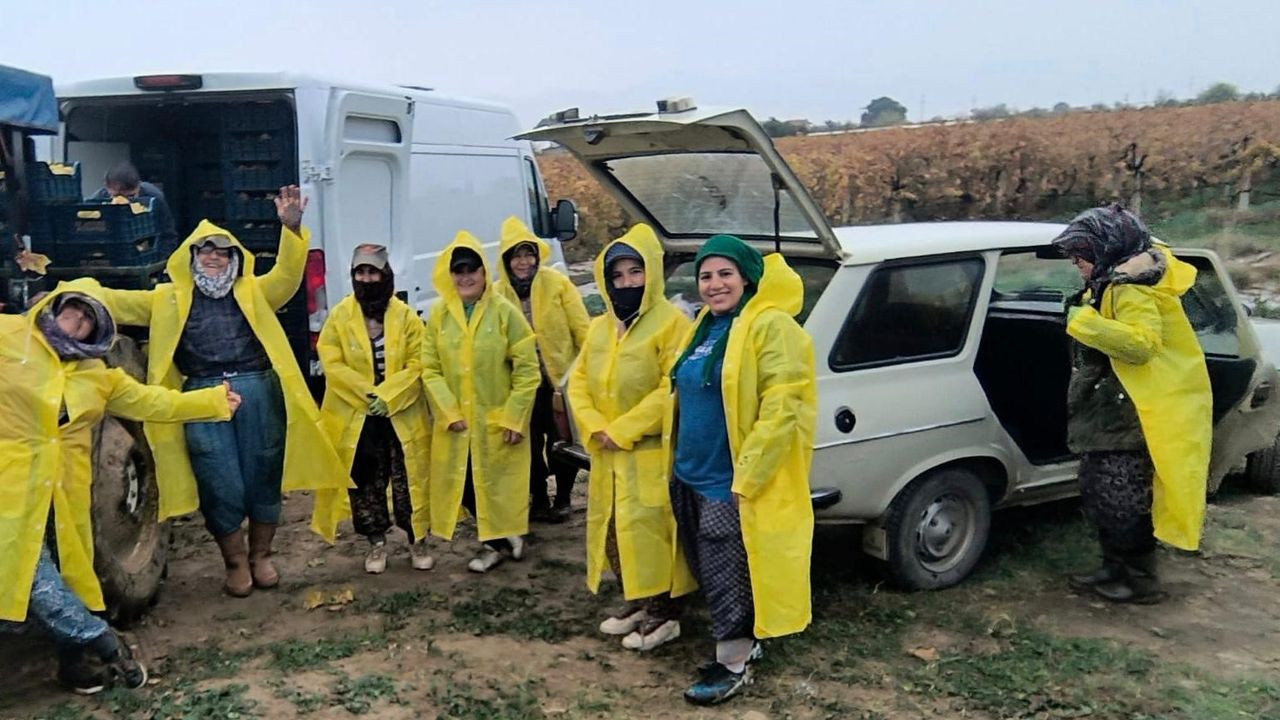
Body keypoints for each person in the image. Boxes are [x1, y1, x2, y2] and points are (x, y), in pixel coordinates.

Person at [98, 186, 346, 597]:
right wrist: (66, 295)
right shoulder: (167, 299)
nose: (213, 256)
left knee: (264, 474)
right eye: (205, 250)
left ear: (234, 258)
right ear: (192, 256)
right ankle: (234, 563)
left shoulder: (254, 291)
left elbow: (287, 277)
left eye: (223, 251)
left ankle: (261, 556)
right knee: (218, 481)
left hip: (257, 389)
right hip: (202, 396)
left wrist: (291, 229)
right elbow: (115, 301)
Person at [0, 280, 239, 694]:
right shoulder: (9, 336)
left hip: (66, 490)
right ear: (56, 304)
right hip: (12, 484)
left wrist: (212, 402)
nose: (78, 319)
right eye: (75, 307)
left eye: (89, 318)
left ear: (97, 333)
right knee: (28, 571)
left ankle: (76, 667)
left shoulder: (97, 377)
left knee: (72, 573)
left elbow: (153, 402)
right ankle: (103, 642)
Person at [666, 234, 817, 706]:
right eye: (706, 276)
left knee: (726, 569)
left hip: (728, 480)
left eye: (725, 274)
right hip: (690, 472)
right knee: (707, 566)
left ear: (747, 278)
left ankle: (733, 663)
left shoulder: (771, 327)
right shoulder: (705, 326)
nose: (714, 284)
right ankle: (744, 642)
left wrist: (746, 477)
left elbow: (782, 407)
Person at [1054, 204, 1212, 604]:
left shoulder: (1132, 289)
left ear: (1105, 250)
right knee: (1101, 491)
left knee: (1123, 498)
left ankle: (1141, 581)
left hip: (1133, 409)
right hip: (1116, 403)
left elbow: (1143, 345)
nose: (1076, 263)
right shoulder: (1111, 281)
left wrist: (1082, 322)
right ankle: (1114, 567)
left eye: (1081, 255)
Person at [568, 224, 695, 652]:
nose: (626, 283)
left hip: (648, 452)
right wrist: (594, 427)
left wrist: (623, 430)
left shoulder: (672, 325)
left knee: (651, 534)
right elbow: (579, 381)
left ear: (652, 274)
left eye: (635, 273)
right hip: (607, 452)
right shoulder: (601, 327)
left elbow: (670, 389)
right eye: (617, 276)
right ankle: (638, 599)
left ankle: (665, 612)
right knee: (615, 530)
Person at [420, 231, 541, 573]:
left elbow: (527, 369)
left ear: (484, 272)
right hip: (457, 423)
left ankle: (496, 543)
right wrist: (448, 411)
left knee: (497, 484)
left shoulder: (505, 313)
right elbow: (429, 367)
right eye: (458, 271)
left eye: (471, 269)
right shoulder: (440, 315)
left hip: (494, 419)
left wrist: (515, 416)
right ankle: (503, 537)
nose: (465, 277)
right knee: (464, 486)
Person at [310, 244, 433, 573]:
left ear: (385, 274)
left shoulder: (405, 317)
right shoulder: (340, 316)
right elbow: (332, 362)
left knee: (409, 478)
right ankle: (376, 543)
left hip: (402, 413)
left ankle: (417, 539)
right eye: (360, 272)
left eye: (372, 272)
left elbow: (419, 362)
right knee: (365, 481)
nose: (366, 278)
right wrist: (368, 395)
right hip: (358, 416)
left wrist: (390, 395)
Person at [494, 216, 590, 523]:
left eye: (529, 254)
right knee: (528, 446)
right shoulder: (496, 294)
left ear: (537, 256)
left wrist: (587, 367)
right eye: (516, 256)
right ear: (506, 260)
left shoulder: (557, 283)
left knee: (562, 442)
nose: (523, 262)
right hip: (521, 386)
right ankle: (538, 498)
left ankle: (563, 498)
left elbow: (582, 328)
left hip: (558, 382)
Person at [90, 162, 179, 253]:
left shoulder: (154, 197)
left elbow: (168, 235)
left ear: (138, 186)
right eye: (116, 196)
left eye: (131, 196)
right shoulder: (98, 199)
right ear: (107, 187)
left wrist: (161, 256)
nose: (123, 201)